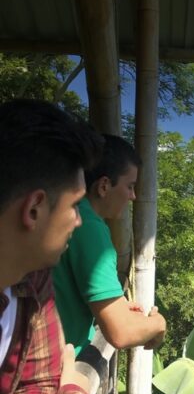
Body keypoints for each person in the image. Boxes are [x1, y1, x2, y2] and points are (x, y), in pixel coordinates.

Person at [0, 98, 103, 394]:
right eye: (75, 206)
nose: (78, 220)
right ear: (34, 209)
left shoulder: (32, 278)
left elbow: (39, 385)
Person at [54, 135, 165, 355]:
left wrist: (118, 308)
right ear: (104, 186)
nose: (133, 196)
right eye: (130, 186)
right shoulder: (89, 227)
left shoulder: (66, 211)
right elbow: (121, 333)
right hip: (55, 369)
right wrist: (159, 324)